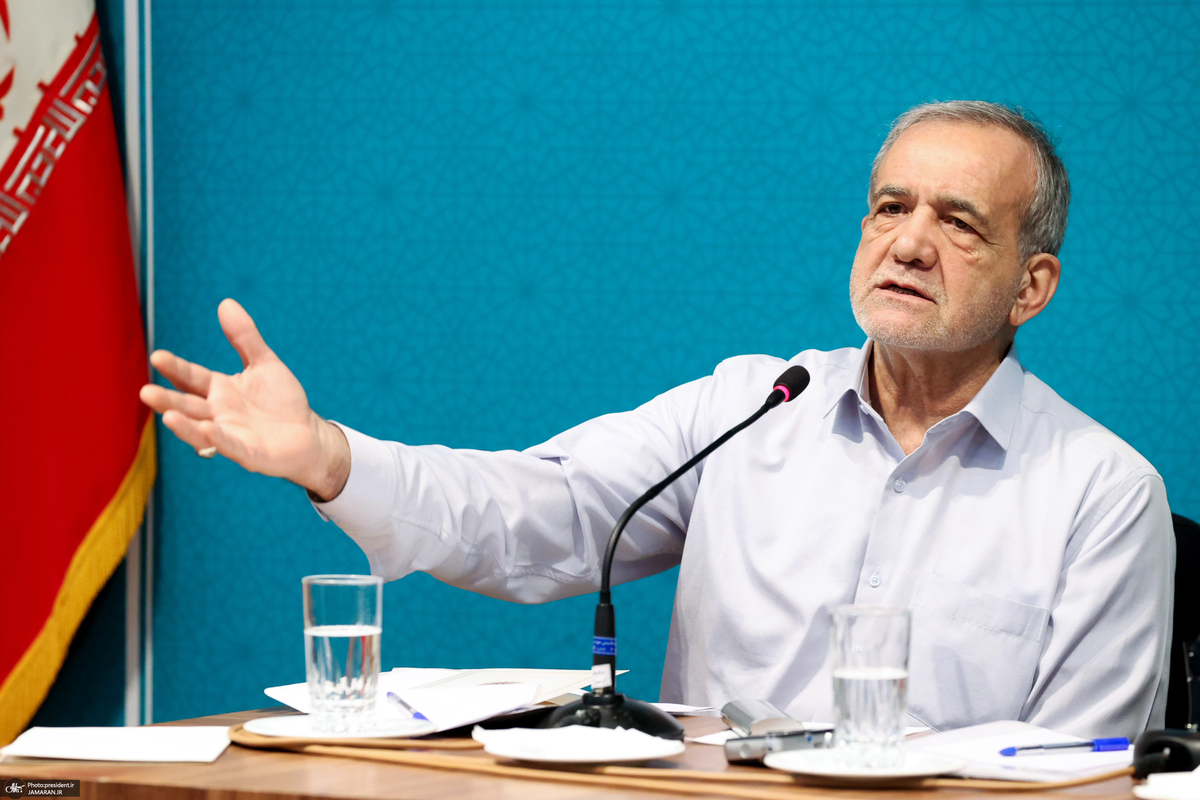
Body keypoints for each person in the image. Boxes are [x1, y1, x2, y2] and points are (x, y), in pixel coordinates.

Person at [141, 101, 1173, 738]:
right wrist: (328, 455)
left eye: (958, 222)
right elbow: (535, 512)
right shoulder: (752, 406)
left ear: (1032, 285)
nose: (907, 243)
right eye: (890, 207)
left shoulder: (1102, 491)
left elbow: (1085, 773)